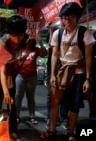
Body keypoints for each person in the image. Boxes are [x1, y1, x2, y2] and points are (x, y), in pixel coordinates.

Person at [40, 2, 95, 141]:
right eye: (64, 18)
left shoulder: (85, 33)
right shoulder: (57, 33)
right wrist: (52, 75)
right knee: (54, 101)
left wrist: (88, 79)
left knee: (74, 105)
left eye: (71, 17)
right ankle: (52, 130)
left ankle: (70, 133)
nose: (67, 21)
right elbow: (54, 54)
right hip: (61, 73)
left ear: (77, 18)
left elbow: (88, 58)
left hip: (78, 73)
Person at [44, 21, 69, 130]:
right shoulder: (55, 32)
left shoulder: (71, 33)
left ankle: (64, 118)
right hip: (52, 70)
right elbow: (50, 45)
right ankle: (51, 118)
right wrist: (50, 29)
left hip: (65, 68)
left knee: (65, 94)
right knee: (52, 95)